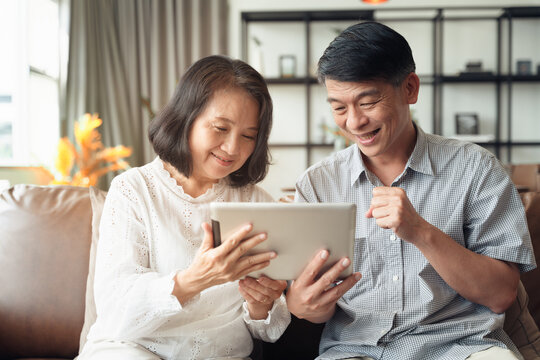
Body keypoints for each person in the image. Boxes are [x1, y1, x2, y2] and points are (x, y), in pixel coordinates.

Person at [286, 22, 536, 360]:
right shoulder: (317, 186)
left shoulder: (476, 168)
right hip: (355, 351)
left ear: (410, 88)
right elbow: (313, 309)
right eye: (339, 107)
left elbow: (501, 294)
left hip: (460, 348)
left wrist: (419, 231)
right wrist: (302, 304)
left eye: (368, 101)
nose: (354, 122)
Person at [79, 55, 290, 359]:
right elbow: (116, 310)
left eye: (248, 136)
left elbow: (269, 330)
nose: (232, 148)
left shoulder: (256, 202)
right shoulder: (134, 190)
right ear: (186, 118)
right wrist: (193, 280)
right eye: (220, 128)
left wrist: (261, 306)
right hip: (132, 349)